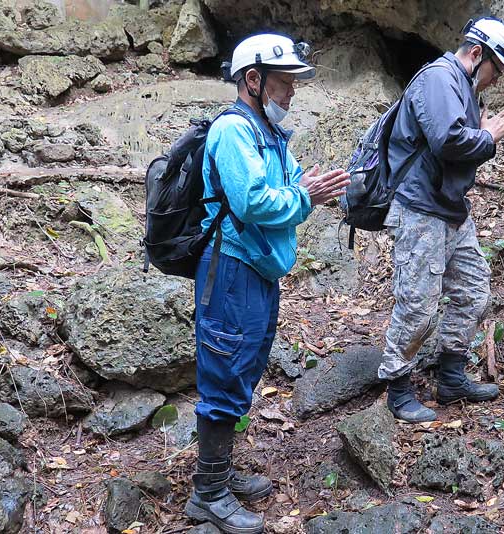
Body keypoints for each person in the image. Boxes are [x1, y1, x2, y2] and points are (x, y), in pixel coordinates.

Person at [184, 33, 350, 534]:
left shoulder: (270, 134)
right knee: (225, 368)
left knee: (246, 366)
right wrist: (305, 197)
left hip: (258, 271)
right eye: (284, 83)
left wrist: (317, 190)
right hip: (230, 269)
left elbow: (296, 182)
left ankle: (221, 472)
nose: (292, 93)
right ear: (252, 80)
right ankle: (207, 494)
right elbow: (255, 201)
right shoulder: (234, 132)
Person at [379, 18, 504, 423]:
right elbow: (449, 140)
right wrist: (490, 135)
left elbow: (458, 146)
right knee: (418, 305)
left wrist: (482, 134)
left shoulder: (466, 88)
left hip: (451, 209)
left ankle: (451, 376)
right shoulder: (440, 78)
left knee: (475, 290)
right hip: (420, 209)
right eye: (498, 69)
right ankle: (398, 387)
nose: (497, 80)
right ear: (477, 54)